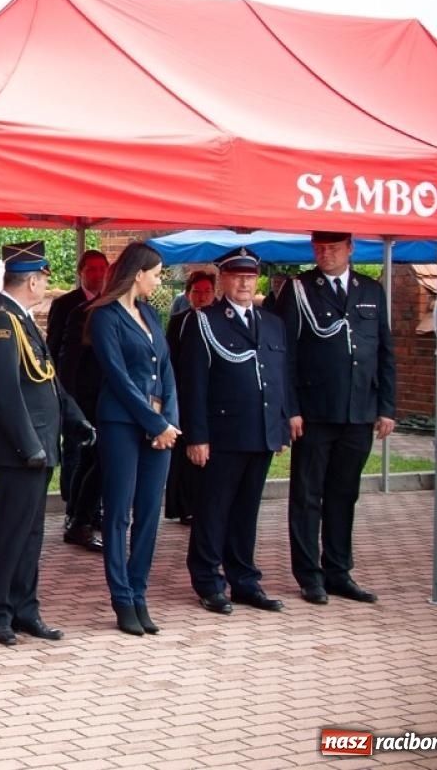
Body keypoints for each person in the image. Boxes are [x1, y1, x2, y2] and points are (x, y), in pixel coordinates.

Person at [0, 242, 95, 646]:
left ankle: (25, 608)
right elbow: (4, 392)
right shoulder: (1, 322)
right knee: (11, 534)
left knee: (30, 536)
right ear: (31, 279)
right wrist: (29, 446)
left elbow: (47, 378)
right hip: (17, 454)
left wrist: (74, 419)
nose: (46, 284)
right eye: (44, 278)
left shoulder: (21, 319)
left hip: (38, 449)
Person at [278, 231, 395, 605]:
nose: (325, 254)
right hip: (315, 412)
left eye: (333, 248)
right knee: (308, 496)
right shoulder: (299, 289)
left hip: (358, 410)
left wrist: (386, 407)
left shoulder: (371, 290)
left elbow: (384, 352)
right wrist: (291, 408)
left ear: (350, 249)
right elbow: (286, 355)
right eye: (319, 248)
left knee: (344, 494)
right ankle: (309, 575)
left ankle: (338, 571)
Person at [175, 248, 293, 615]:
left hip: (260, 431)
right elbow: (192, 383)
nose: (244, 282)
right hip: (222, 434)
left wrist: (285, 420)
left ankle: (244, 580)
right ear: (222, 279)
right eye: (236, 276)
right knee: (213, 510)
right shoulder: (204, 321)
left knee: (246, 511)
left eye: (250, 276)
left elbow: (279, 377)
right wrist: (196, 435)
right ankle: (209, 581)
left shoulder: (271, 323)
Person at [87, 241, 179, 637]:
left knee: (147, 514)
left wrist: (168, 421)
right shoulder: (105, 316)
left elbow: (168, 368)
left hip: (159, 424)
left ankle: (139, 592)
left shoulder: (151, 313)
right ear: (137, 273)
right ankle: (122, 597)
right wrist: (151, 422)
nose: (158, 282)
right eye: (156, 274)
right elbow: (118, 377)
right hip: (122, 422)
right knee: (119, 512)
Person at [49, 249, 109, 548]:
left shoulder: (111, 304)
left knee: (96, 457)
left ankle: (88, 511)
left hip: (104, 395)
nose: (98, 275)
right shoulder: (69, 306)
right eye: (92, 269)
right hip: (78, 395)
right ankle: (74, 511)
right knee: (77, 453)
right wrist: (66, 397)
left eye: (102, 269)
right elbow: (60, 352)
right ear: (81, 272)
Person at [163, 270, 217, 523]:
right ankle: (183, 505)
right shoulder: (179, 320)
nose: (202, 296)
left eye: (207, 291)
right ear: (188, 294)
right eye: (197, 292)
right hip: (182, 392)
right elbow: (170, 357)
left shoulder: (218, 319)